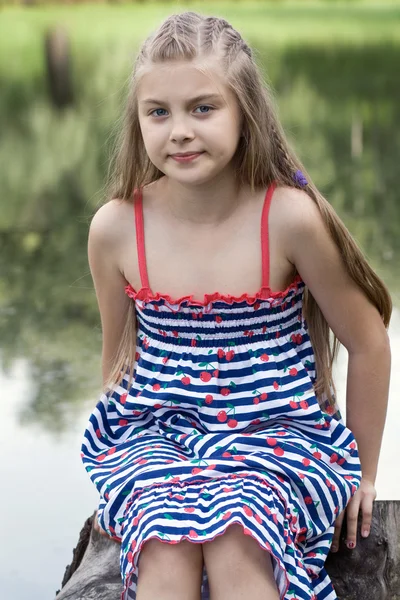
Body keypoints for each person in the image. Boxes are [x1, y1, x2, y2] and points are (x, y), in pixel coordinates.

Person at [81, 11, 391, 600]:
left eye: (203, 108)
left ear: (244, 111)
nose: (179, 131)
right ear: (138, 120)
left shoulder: (287, 217)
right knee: (166, 548)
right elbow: (118, 364)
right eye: (159, 112)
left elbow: (369, 341)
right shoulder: (117, 230)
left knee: (235, 539)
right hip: (160, 435)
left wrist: (365, 474)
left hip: (276, 434)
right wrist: (121, 478)